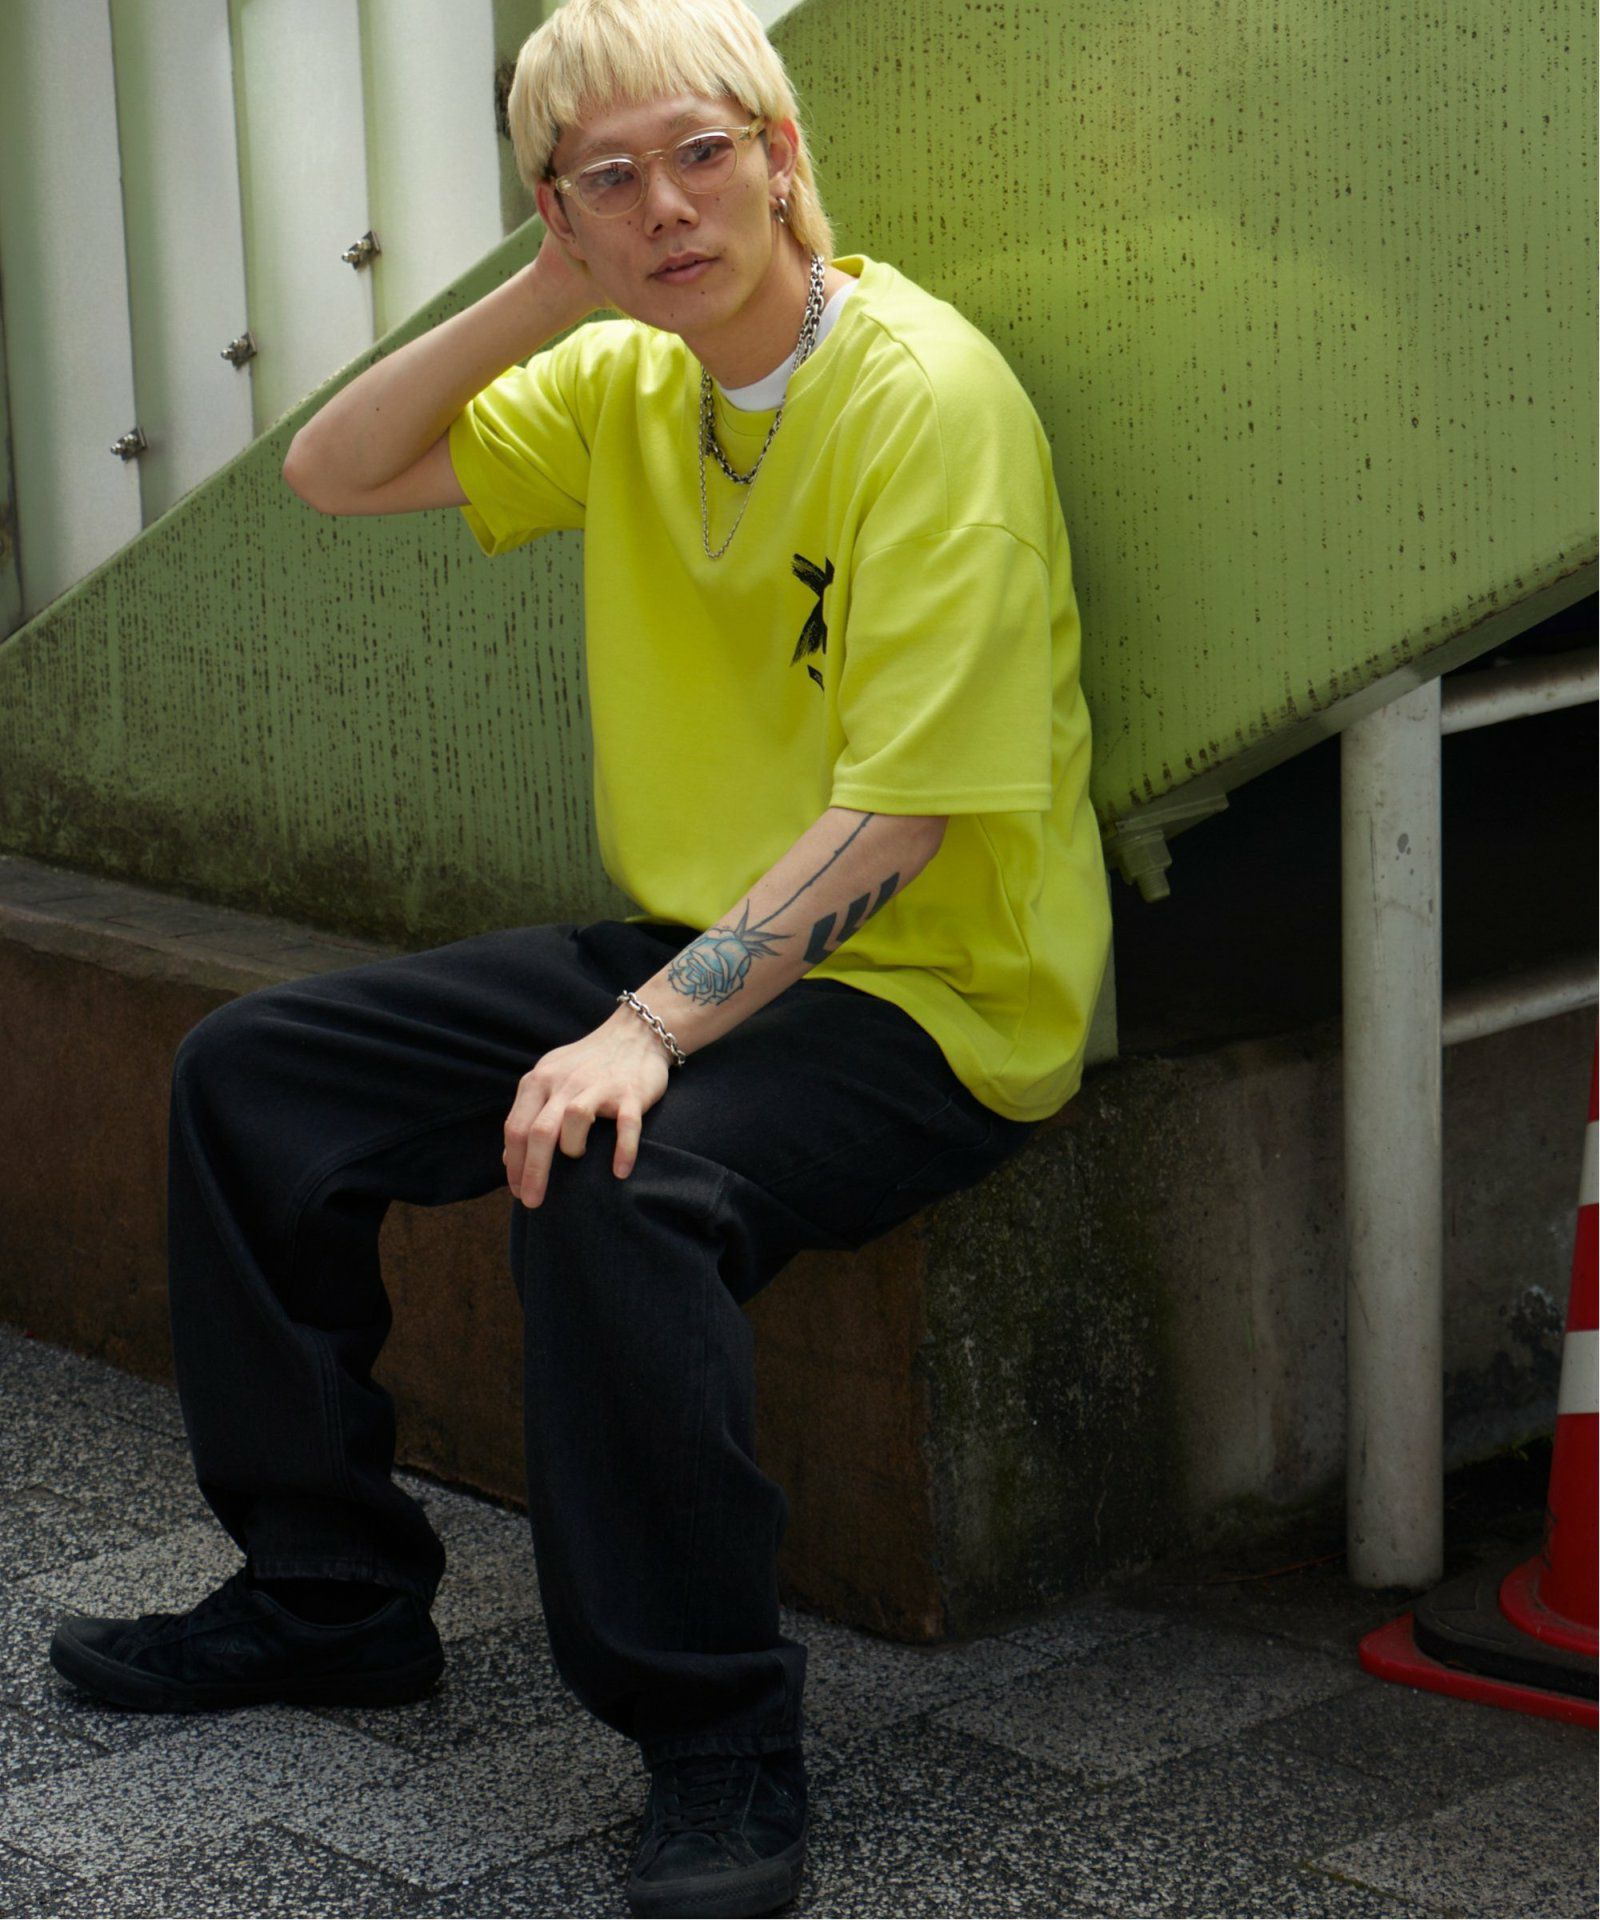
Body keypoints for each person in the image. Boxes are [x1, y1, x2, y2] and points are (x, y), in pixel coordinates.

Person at [47, 1, 1110, 1913]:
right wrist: (546, 291)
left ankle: (718, 1740)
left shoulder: (925, 396)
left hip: (934, 993)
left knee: (619, 1176)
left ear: (782, 153)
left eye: (701, 152)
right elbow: (339, 469)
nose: (667, 206)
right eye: (607, 180)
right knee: (253, 1079)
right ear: (558, 213)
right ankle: (329, 1594)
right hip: (696, 943)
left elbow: (909, 816)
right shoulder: (626, 376)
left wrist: (644, 1033)